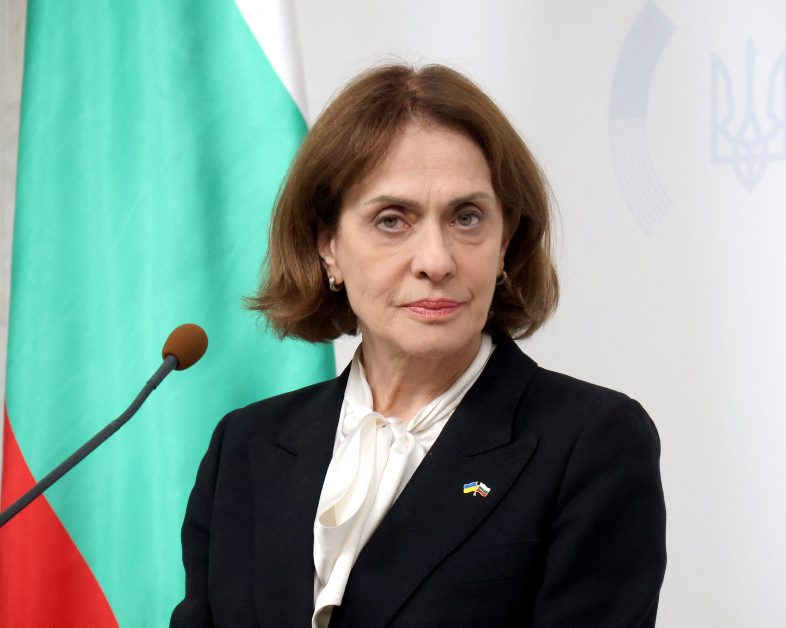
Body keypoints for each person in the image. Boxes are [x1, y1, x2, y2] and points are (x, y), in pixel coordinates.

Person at [170, 63, 666, 627]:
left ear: (505, 242)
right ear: (328, 245)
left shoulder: (592, 442)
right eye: (392, 220)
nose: (436, 260)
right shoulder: (247, 445)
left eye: (467, 217)